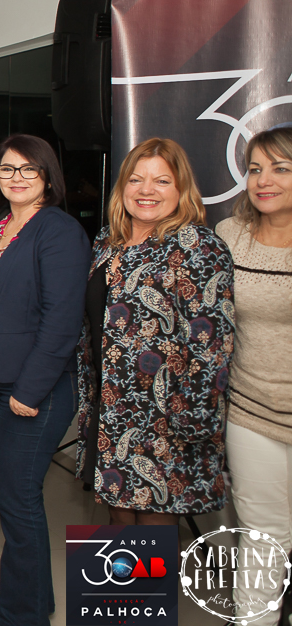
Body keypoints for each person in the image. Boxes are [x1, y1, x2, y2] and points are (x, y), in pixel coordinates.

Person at [0, 135, 90, 626]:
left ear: (48, 178)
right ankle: (30, 601)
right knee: (15, 496)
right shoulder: (3, 227)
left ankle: (26, 614)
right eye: (7, 169)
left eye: (28, 170)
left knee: (19, 500)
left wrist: (29, 392)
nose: (15, 177)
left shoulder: (57, 231)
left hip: (34, 390)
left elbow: (62, 321)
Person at [76, 138, 234, 525]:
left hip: (167, 420)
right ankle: (116, 590)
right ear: (122, 188)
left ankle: (139, 590)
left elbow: (212, 345)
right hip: (111, 410)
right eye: (136, 179)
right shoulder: (106, 242)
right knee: (119, 527)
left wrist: (193, 424)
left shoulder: (198, 245)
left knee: (153, 539)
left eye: (162, 181)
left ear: (181, 189)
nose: (146, 190)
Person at [216, 126, 292, 626]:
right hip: (252, 412)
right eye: (256, 168)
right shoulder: (230, 234)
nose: (263, 180)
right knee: (264, 538)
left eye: (280, 168)